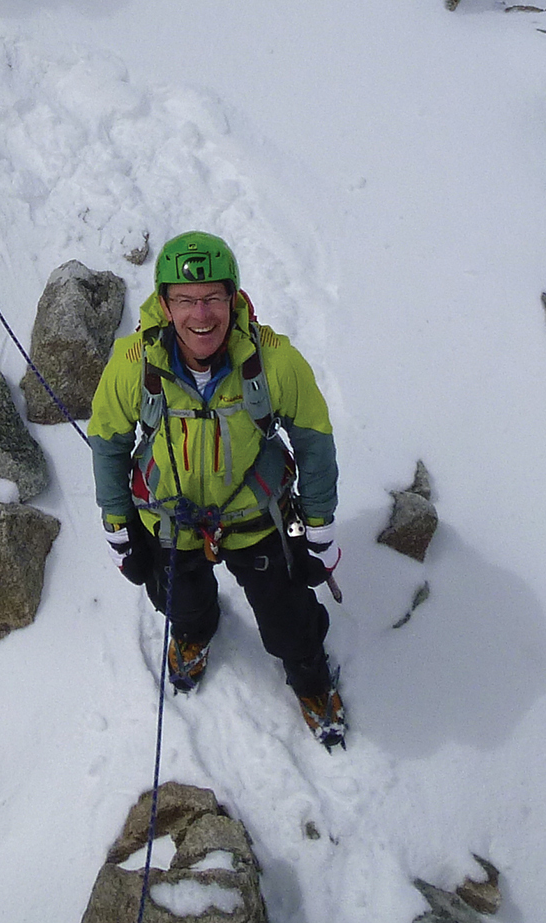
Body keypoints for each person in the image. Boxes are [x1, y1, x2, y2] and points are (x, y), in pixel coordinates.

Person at [86, 230, 349, 746]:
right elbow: (107, 444)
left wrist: (318, 525)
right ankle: (194, 631)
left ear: (233, 297)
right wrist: (118, 523)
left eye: (212, 298)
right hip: (171, 522)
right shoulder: (133, 363)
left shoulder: (274, 361)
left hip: (257, 519)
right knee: (180, 604)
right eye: (185, 300)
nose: (200, 315)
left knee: (289, 622)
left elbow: (314, 442)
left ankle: (310, 678)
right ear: (164, 305)